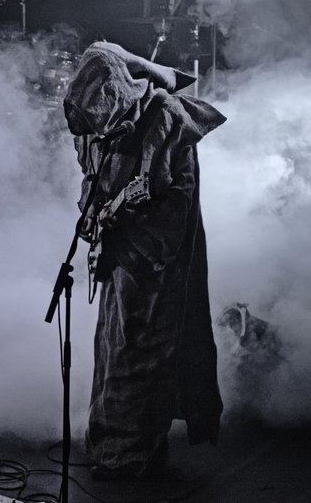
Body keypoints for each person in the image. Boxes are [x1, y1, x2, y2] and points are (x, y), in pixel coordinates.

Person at [63, 41, 226, 480]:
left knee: (141, 346)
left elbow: (172, 198)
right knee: (114, 344)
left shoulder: (164, 117)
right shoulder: (93, 122)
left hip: (154, 254)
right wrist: (92, 211)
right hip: (120, 248)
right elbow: (94, 176)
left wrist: (129, 221)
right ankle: (124, 446)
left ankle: (128, 454)